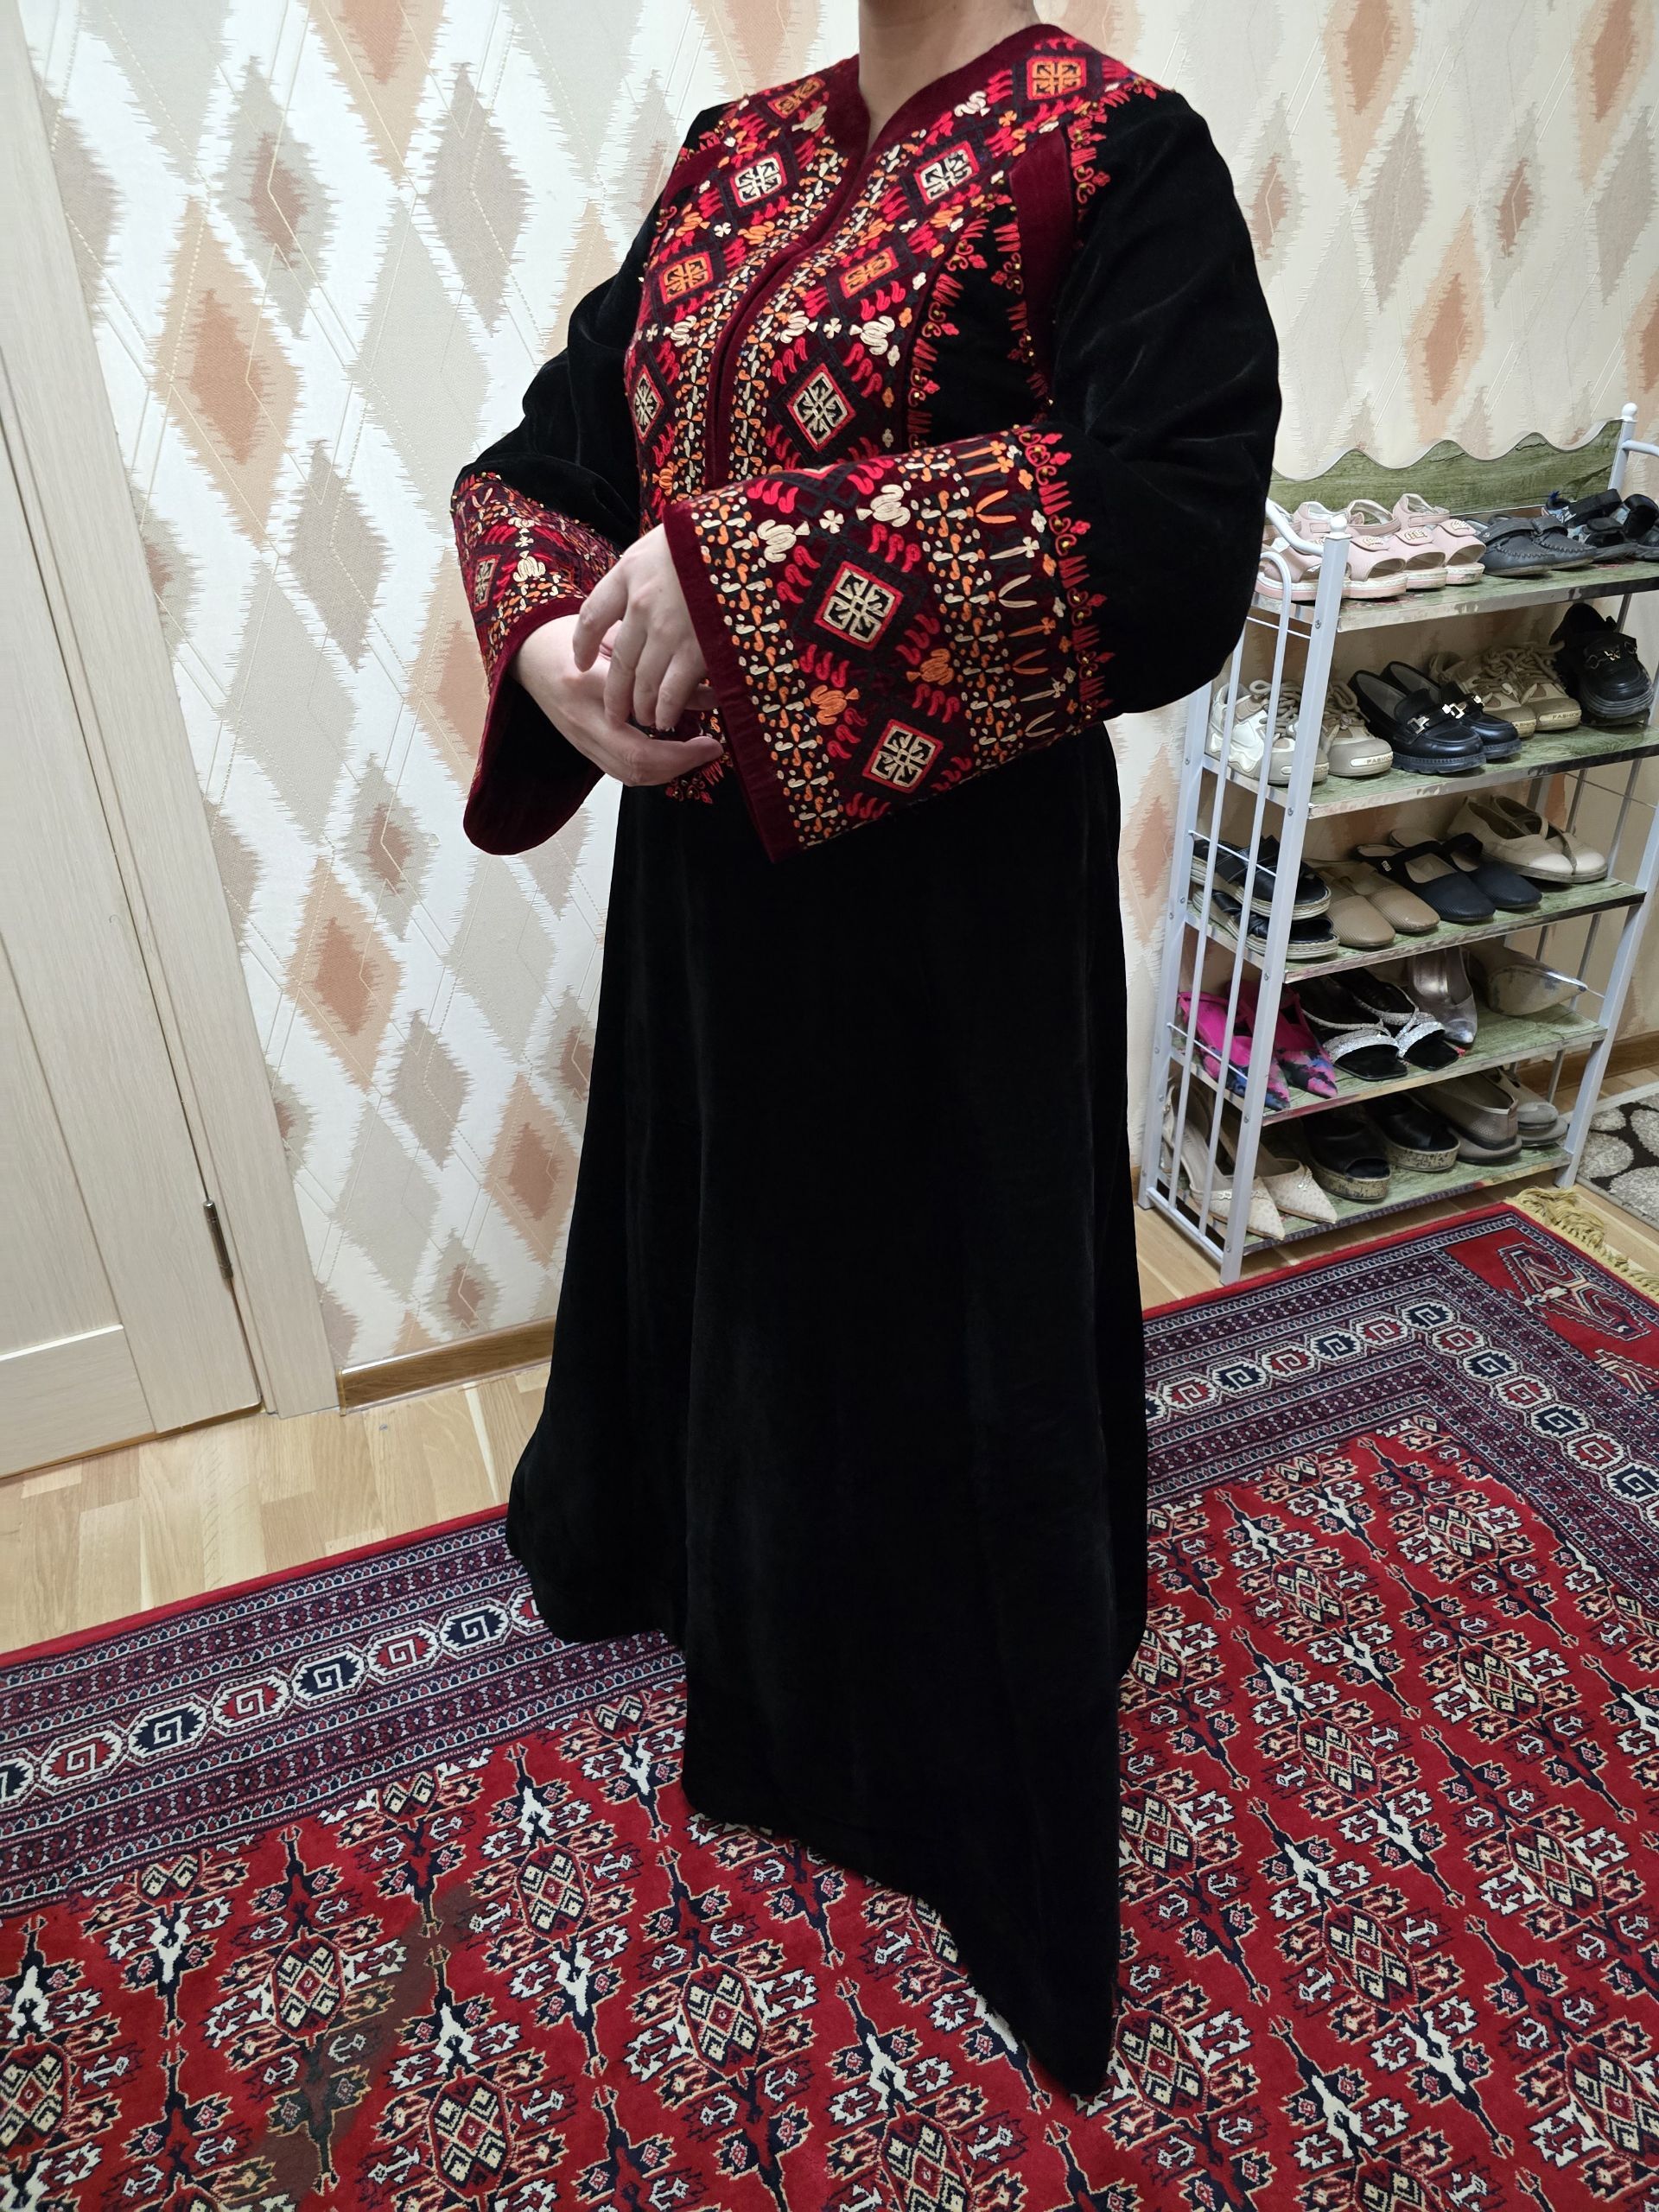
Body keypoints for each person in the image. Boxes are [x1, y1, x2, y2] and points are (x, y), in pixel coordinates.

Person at [450, 0, 1279, 2096]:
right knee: (742, 1261)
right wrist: (553, 643)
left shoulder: (1115, 153)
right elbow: (555, 455)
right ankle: (729, 1586)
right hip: (711, 893)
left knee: (940, 1308)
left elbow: (1174, 532)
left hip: (950, 923)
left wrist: (748, 570)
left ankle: (931, 1729)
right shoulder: (732, 158)